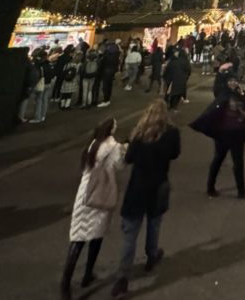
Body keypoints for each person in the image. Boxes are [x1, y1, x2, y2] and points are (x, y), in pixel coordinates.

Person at [113, 101, 180, 297]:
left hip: (137, 187)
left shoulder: (139, 134)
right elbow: (175, 154)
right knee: (154, 224)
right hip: (158, 185)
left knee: (130, 233)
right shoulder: (171, 133)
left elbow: (129, 159)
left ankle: (122, 277)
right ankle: (151, 256)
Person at [62, 118, 125, 299]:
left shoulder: (93, 144)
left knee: (78, 237)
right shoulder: (113, 146)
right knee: (96, 235)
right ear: (111, 129)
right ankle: (87, 274)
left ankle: (65, 283)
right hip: (100, 193)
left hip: (85, 193)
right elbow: (119, 165)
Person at [196, 66, 245, 198]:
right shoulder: (222, 93)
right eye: (230, 81)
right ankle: (210, 187)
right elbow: (217, 87)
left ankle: (241, 190)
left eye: (234, 80)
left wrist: (242, 93)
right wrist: (220, 72)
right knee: (218, 159)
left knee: (238, 162)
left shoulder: (239, 93)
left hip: (237, 133)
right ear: (226, 82)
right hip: (223, 133)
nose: (232, 83)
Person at [98, 41, 121, 108]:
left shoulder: (108, 56)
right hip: (112, 72)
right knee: (109, 86)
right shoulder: (116, 55)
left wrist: (101, 55)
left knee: (105, 87)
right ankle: (107, 100)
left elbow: (102, 63)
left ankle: (105, 100)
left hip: (106, 72)